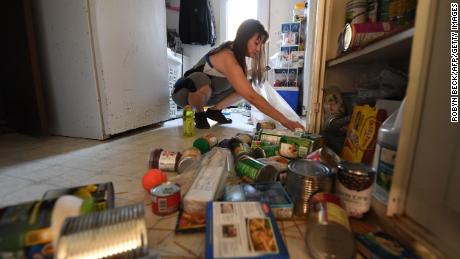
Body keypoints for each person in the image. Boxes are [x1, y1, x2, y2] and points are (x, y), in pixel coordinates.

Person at [172, 19, 304, 131]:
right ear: (244, 37)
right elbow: (251, 97)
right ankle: (199, 115)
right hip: (183, 93)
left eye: (261, 45)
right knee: (201, 80)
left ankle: (214, 111)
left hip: (208, 96)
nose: (258, 49)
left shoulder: (238, 59)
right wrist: (286, 122)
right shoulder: (227, 56)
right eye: (256, 43)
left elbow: (247, 91)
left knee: (248, 83)